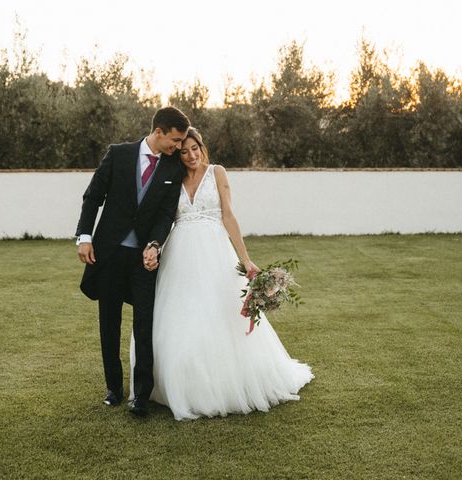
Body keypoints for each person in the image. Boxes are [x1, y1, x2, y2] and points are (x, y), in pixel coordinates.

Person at [131, 127, 314, 420]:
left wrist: (246, 259)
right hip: (179, 256)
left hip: (214, 252)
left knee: (221, 315)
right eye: (183, 151)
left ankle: (226, 383)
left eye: (194, 149)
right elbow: (166, 219)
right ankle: (182, 383)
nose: (190, 156)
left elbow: (228, 215)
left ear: (202, 148)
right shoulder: (172, 177)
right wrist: (154, 247)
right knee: (180, 317)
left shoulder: (217, 172)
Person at [75, 106, 190, 417]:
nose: (178, 147)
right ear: (159, 132)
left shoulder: (173, 169)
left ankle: (141, 394)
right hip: (108, 253)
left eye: (181, 143)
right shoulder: (119, 154)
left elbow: (166, 214)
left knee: (145, 323)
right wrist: (84, 236)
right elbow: (93, 196)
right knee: (109, 322)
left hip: (144, 259)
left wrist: (154, 245)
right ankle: (114, 388)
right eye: (176, 140)